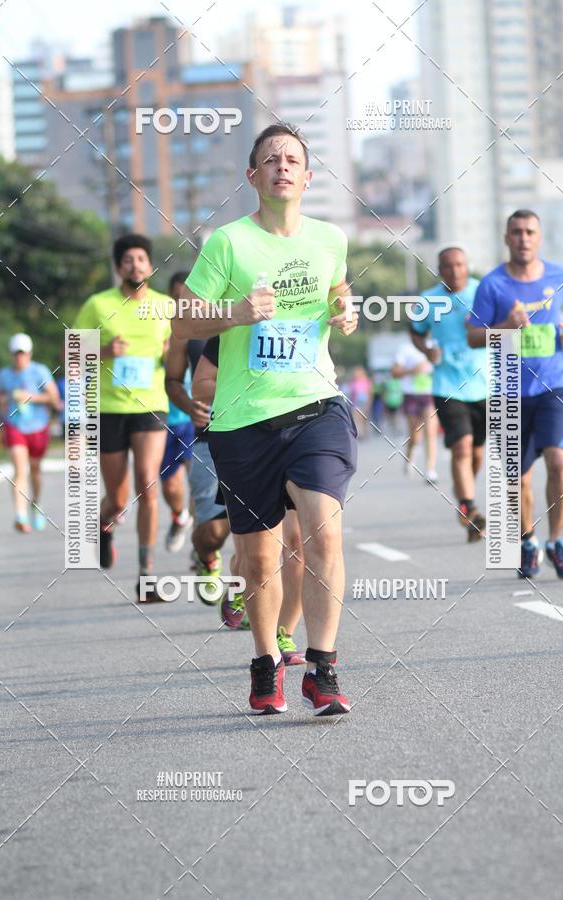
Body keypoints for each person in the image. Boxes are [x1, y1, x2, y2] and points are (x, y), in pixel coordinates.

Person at [172, 122, 358, 716]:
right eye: (270, 158)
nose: (282, 165)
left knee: (323, 530)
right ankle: (264, 659)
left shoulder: (330, 238)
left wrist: (345, 307)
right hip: (242, 420)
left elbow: (336, 289)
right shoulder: (226, 244)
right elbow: (183, 322)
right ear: (252, 176)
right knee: (257, 558)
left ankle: (322, 668)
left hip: (315, 406)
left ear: (308, 177)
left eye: (293, 159)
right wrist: (235, 312)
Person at [467, 209, 563, 578]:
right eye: (516, 232)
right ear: (506, 238)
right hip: (509, 392)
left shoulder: (559, 275)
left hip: (554, 387)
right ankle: (528, 541)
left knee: (558, 461)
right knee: (517, 477)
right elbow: (473, 336)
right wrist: (506, 326)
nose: (523, 238)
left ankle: (557, 541)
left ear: (539, 238)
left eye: (530, 232)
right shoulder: (493, 285)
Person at [190, 336, 306, 665]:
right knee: (252, 554)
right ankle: (241, 586)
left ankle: (284, 634)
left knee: (297, 542)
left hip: (299, 434)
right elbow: (199, 385)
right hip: (243, 438)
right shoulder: (230, 326)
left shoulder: (304, 315)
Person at [73, 234, 172, 601]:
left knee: (148, 486)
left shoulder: (165, 307)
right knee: (117, 497)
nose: (136, 265)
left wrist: (171, 353)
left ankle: (146, 576)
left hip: (150, 407)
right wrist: (102, 349)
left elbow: (180, 354)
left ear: (150, 265)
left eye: (142, 259)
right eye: (128, 260)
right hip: (109, 409)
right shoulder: (98, 305)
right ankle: (102, 524)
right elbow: (72, 351)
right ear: (118, 267)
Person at [411, 246, 487, 540]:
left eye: (459, 264)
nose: (454, 271)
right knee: (462, 448)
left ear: (466, 266)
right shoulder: (428, 300)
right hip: (447, 385)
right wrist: (427, 349)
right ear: (439, 270)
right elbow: (416, 332)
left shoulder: (482, 292)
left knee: (476, 453)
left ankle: (464, 490)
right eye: (447, 266)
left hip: (483, 384)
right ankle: (470, 507)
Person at [0, 333, 60, 532]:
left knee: (35, 470)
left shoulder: (39, 371)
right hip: (15, 426)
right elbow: (1, 394)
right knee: (20, 469)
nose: (19, 357)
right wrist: (4, 402)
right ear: (11, 354)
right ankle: (20, 515)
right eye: (16, 354)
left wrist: (30, 397)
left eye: (22, 353)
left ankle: (36, 503)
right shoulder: (5, 374)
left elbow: (53, 397)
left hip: (38, 427)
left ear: (29, 353)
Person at [160, 272, 195, 553]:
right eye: (177, 297)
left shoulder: (210, 326)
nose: (183, 303)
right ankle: (180, 516)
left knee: (200, 480)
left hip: (197, 419)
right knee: (170, 486)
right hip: (163, 419)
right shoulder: (159, 326)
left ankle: (201, 537)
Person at [391, 336, 439, 482]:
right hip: (411, 395)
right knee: (415, 434)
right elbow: (394, 372)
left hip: (430, 394)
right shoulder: (405, 347)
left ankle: (430, 470)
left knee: (431, 431)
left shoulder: (435, 344)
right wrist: (413, 370)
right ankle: (410, 455)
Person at [346, 366, 373, 438]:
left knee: (363, 418)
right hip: (356, 402)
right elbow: (351, 393)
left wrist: (369, 403)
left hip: (365, 402)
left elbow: (370, 392)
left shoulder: (366, 381)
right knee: (357, 418)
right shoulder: (353, 382)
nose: (356, 374)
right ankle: (360, 433)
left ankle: (364, 431)